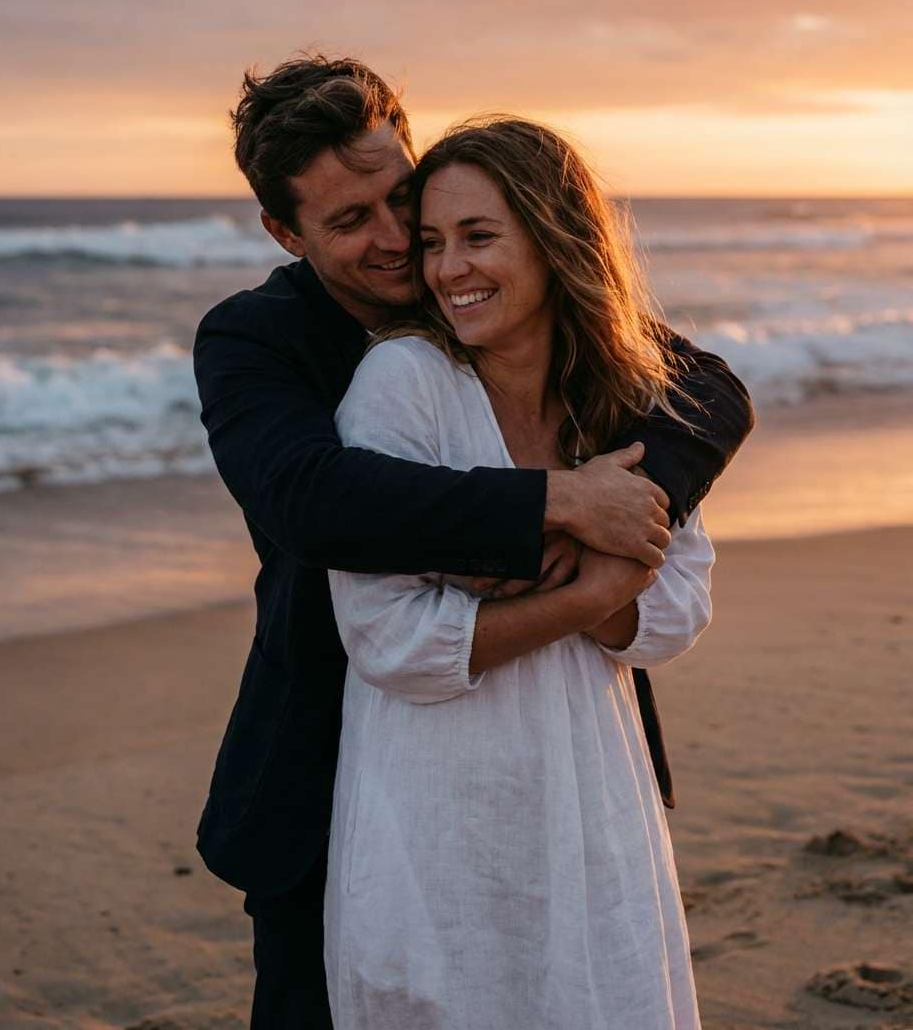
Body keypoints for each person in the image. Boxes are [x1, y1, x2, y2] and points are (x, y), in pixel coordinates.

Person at [193, 55, 753, 1029]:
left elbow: (705, 390)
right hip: (327, 766)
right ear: (285, 232)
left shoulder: (487, 289)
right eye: (346, 221)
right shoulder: (257, 339)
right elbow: (312, 501)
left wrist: (633, 517)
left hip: (556, 752)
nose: (396, 242)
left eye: (396, 198)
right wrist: (558, 505)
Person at [324, 116, 716, 1028]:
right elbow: (391, 643)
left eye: (479, 236)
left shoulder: (619, 399)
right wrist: (592, 588)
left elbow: (682, 606)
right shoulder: (404, 384)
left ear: (554, 237)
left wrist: (573, 589)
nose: (448, 268)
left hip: (594, 798)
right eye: (432, 243)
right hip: (435, 814)